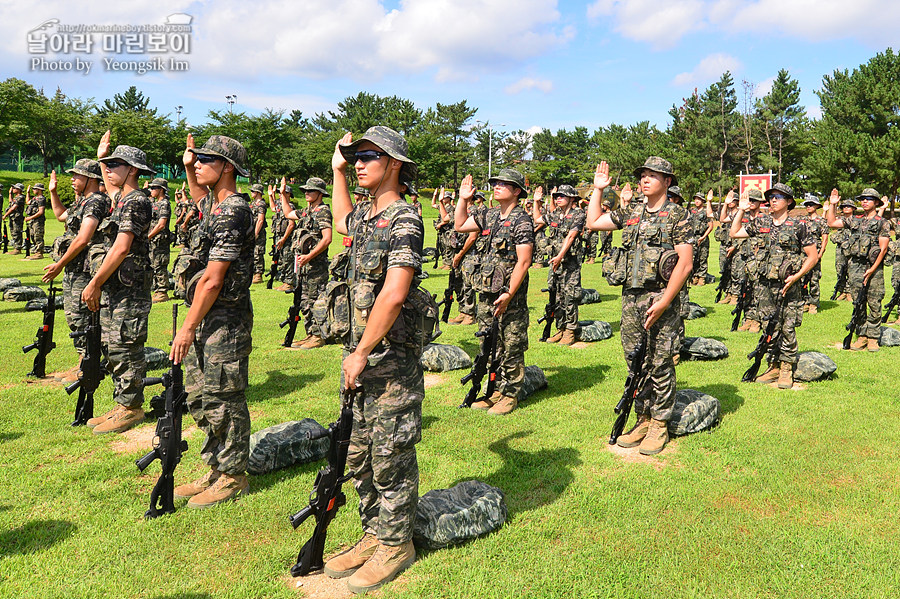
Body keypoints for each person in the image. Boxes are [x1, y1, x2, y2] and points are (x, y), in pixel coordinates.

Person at [324, 126, 426, 594]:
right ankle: (373, 532)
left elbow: (395, 291)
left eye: (368, 156)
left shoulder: (405, 218)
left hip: (388, 362)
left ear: (394, 164)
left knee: (390, 455)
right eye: (355, 156)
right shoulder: (367, 215)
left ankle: (396, 543)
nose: (358, 162)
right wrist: (336, 172)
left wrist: (361, 351)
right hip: (361, 360)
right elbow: (341, 218)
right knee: (360, 452)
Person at [586, 157, 693, 455]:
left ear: (667, 181)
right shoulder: (632, 211)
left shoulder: (677, 215)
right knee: (636, 361)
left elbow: (685, 264)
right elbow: (594, 222)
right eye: (643, 175)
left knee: (660, 361)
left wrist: (665, 301)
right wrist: (598, 191)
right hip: (631, 299)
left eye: (653, 175)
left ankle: (660, 423)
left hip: (660, 297)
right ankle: (643, 418)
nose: (645, 179)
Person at [170, 134, 255, 508]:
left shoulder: (234, 209)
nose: (198, 162)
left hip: (225, 318)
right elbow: (200, 198)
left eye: (207, 159)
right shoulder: (215, 205)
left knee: (223, 396)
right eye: (198, 158)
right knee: (199, 394)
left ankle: (234, 474)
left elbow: (214, 277)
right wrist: (190, 166)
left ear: (228, 168)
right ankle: (217, 467)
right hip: (207, 314)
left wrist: (187, 326)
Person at [82, 132, 154, 435]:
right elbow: (110, 183)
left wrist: (95, 282)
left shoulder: (136, 202)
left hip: (129, 289)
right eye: (107, 164)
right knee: (112, 345)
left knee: (126, 344)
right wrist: (102, 157)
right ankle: (122, 403)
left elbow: (122, 247)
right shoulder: (121, 198)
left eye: (116, 164)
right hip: (117, 288)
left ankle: (132, 407)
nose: (109, 169)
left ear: (133, 169)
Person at [455, 168, 534, 415]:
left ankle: (510, 394)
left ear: (517, 191)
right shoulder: (489, 215)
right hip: (487, 291)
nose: (497, 186)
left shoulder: (521, 219)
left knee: (511, 342)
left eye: (504, 183)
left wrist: (509, 293)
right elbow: (459, 225)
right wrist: (463, 198)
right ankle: (496, 390)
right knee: (489, 342)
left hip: (509, 294)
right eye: (496, 182)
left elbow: (524, 261)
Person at [730, 183, 818, 388]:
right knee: (769, 324)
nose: (773, 200)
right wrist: (741, 209)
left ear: (789, 202)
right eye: (771, 196)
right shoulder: (762, 221)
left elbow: (812, 257)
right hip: (764, 285)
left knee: (787, 326)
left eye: (778, 196)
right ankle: (773, 365)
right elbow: (735, 233)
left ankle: (786, 368)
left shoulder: (799, 225)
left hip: (788, 285)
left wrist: (797, 277)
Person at [42, 161, 110, 382]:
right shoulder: (82, 202)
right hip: (74, 270)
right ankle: (83, 361)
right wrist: (53, 192)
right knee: (74, 317)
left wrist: (59, 264)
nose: (72, 179)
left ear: (91, 178)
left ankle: (88, 364)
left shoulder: (96, 202)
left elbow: (83, 239)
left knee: (83, 318)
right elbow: (62, 215)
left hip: (86, 271)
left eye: (77, 175)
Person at [825, 187, 890, 351]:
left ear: (876, 202)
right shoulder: (855, 220)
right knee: (858, 301)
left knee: (874, 301)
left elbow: (883, 249)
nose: (865, 201)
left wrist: (872, 269)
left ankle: (873, 337)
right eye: (863, 198)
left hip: (873, 268)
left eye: (869, 198)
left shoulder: (882, 222)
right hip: (855, 267)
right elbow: (831, 223)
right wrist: (833, 205)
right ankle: (861, 335)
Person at [280, 176, 333, 349]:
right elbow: (288, 214)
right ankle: (310, 334)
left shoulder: (323, 211)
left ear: (320, 193)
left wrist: (309, 256)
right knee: (304, 301)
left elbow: (327, 239)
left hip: (315, 266)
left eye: (311, 190)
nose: (307, 193)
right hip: (303, 266)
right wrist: (282, 195)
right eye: (306, 190)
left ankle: (318, 336)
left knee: (316, 300)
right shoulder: (307, 211)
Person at [532, 184, 585, 345]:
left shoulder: (578, 214)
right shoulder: (555, 214)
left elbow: (571, 236)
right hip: (555, 263)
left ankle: (570, 330)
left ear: (571, 198)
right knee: (556, 296)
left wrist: (560, 256)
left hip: (570, 263)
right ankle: (560, 328)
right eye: (557, 196)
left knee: (570, 296)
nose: (558, 198)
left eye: (562, 196)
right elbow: (537, 219)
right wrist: (536, 202)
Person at [799, 195, 829, 314]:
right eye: (807, 204)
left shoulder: (821, 221)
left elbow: (825, 238)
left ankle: (814, 303)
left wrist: (820, 254)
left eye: (811, 204)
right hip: (802, 254)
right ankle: (804, 301)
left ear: (817, 206)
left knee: (814, 279)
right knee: (802, 278)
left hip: (815, 253)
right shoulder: (802, 220)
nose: (809, 206)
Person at [147, 178, 172, 303]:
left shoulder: (164, 204)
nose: (151, 190)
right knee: (152, 264)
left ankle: (162, 292)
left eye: (153, 188)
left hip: (159, 240)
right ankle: (156, 289)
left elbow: (161, 224)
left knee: (159, 264)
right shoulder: (155, 203)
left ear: (161, 190)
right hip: (153, 240)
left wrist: (149, 236)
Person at [830, 197, 856, 301]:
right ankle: (842, 291)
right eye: (844, 206)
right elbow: (830, 223)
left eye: (848, 206)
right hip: (840, 248)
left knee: (851, 269)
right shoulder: (839, 220)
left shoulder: (857, 220)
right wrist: (833, 205)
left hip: (852, 248)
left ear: (853, 208)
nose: (846, 208)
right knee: (840, 269)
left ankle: (849, 292)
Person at [688, 190, 715, 286]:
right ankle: (695, 276)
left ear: (703, 201)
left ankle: (702, 277)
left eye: (699, 199)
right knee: (694, 258)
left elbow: (711, 226)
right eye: (696, 199)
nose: (697, 201)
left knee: (703, 258)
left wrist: (703, 237)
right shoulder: (692, 211)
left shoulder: (706, 212)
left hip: (702, 237)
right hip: (693, 237)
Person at [248, 183, 268, 284]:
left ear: (258, 192)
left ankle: (258, 274)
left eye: (253, 191)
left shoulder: (261, 204)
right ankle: (253, 272)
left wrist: (255, 233)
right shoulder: (253, 203)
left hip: (258, 232)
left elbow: (260, 220)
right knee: (251, 252)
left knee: (258, 252)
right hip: (251, 230)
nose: (251, 193)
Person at [24, 182, 47, 259]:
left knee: (38, 236)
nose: (33, 190)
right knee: (32, 236)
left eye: (34, 189)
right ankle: (36, 251)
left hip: (38, 221)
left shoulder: (41, 199)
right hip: (33, 221)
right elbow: (27, 202)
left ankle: (40, 253)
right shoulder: (35, 198)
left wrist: (29, 218)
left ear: (39, 190)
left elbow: (41, 211)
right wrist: (28, 193)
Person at [2, 183, 26, 253]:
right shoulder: (16, 197)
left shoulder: (21, 197)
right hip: (13, 217)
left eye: (15, 188)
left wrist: (5, 215)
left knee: (17, 232)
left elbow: (13, 208)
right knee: (13, 232)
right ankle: (16, 247)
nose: (13, 189)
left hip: (17, 218)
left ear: (19, 190)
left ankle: (18, 248)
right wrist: (10, 194)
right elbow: (11, 202)